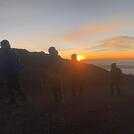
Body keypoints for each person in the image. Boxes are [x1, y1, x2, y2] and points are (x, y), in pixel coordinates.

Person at [0, 40, 27, 104]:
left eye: (2, 45)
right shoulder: (12, 52)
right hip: (11, 71)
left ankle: (18, 98)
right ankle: (15, 98)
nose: (1, 46)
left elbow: (5, 62)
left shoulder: (8, 53)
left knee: (14, 86)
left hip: (12, 72)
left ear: (5, 45)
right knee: (12, 86)